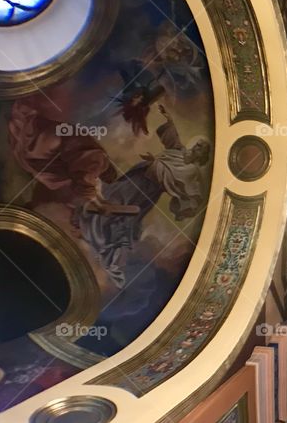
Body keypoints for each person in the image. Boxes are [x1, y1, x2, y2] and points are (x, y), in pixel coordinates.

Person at [77, 105, 211, 287]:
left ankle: (108, 247)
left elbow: (179, 183)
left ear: (203, 155)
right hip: (138, 176)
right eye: (198, 145)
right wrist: (168, 119)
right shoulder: (179, 152)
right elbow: (173, 139)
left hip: (148, 189)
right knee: (112, 195)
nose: (198, 148)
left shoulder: (192, 171)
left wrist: (154, 162)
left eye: (202, 149)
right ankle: (91, 222)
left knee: (123, 213)